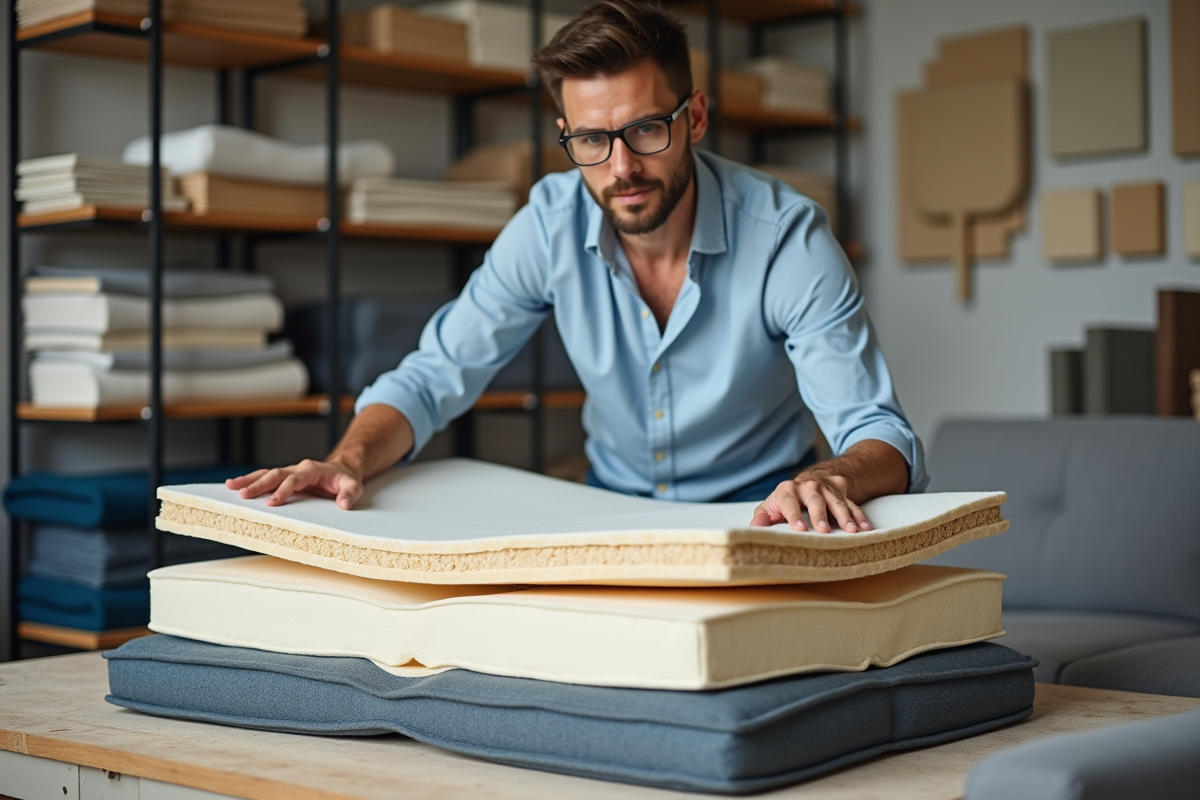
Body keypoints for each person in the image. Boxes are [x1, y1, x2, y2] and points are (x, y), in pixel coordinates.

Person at [228, 0, 927, 533]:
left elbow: (881, 432)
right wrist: (346, 460)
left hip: (764, 518)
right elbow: (433, 375)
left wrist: (829, 479)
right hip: (611, 515)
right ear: (566, 135)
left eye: (646, 130)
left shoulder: (787, 238)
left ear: (696, 117)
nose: (622, 168)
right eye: (592, 139)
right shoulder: (548, 223)